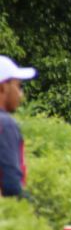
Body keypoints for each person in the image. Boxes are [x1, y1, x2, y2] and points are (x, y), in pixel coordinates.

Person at [0, 56, 34, 199]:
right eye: (18, 86)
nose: (21, 94)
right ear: (3, 85)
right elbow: (12, 185)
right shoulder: (5, 125)